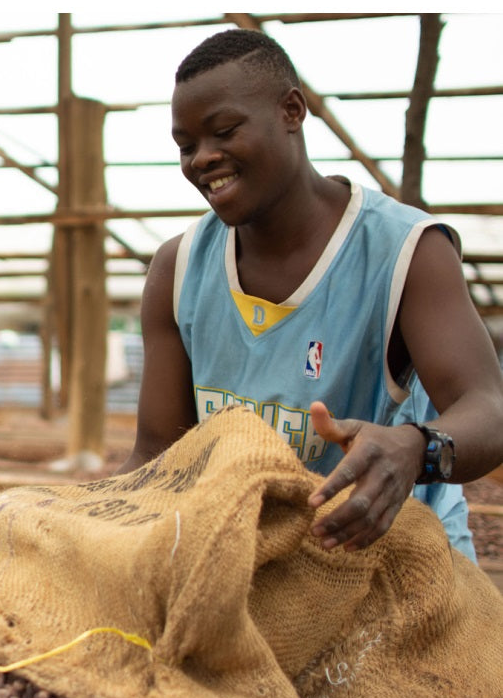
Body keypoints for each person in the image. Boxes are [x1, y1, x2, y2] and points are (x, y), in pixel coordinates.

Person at [119, 28, 503, 560]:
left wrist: (417, 447)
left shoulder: (406, 252)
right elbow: (156, 453)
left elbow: (488, 408)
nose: (201, 159)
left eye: (224, 131)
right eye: (186, 147)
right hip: (257, 557)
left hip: (394, 557)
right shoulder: (177, 269)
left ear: (292, 111)